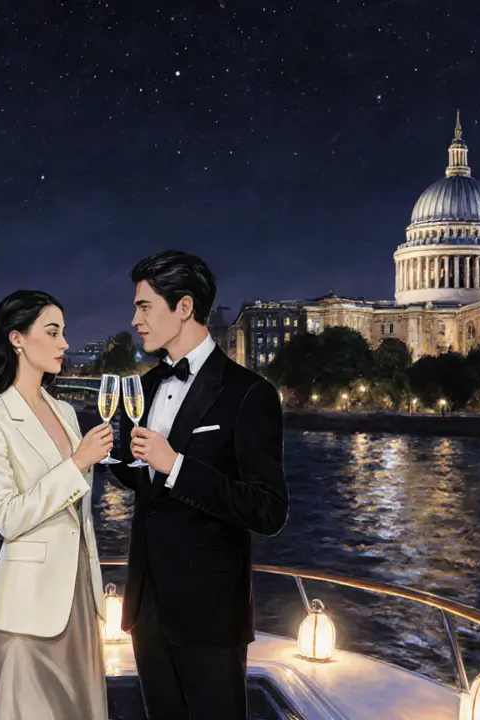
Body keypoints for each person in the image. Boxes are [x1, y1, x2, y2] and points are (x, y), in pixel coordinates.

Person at [108, 250, 289, 720]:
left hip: (211, 617)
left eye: (144, 307)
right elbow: (144, 484)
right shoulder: (143, 388)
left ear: (184, 307)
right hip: (146, 610)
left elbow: (268, 510)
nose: (134, 320)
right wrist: (109, 459)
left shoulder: (249, 393)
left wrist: (176, 465)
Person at [0, 289, 114, 720]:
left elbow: (77, 512)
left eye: (63, 332)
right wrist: (78, 463)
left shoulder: (65, 412)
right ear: (16, 339)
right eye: (53, 332)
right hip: (26, 611)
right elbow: (7, 517)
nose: (64, 343)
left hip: (79, 600)